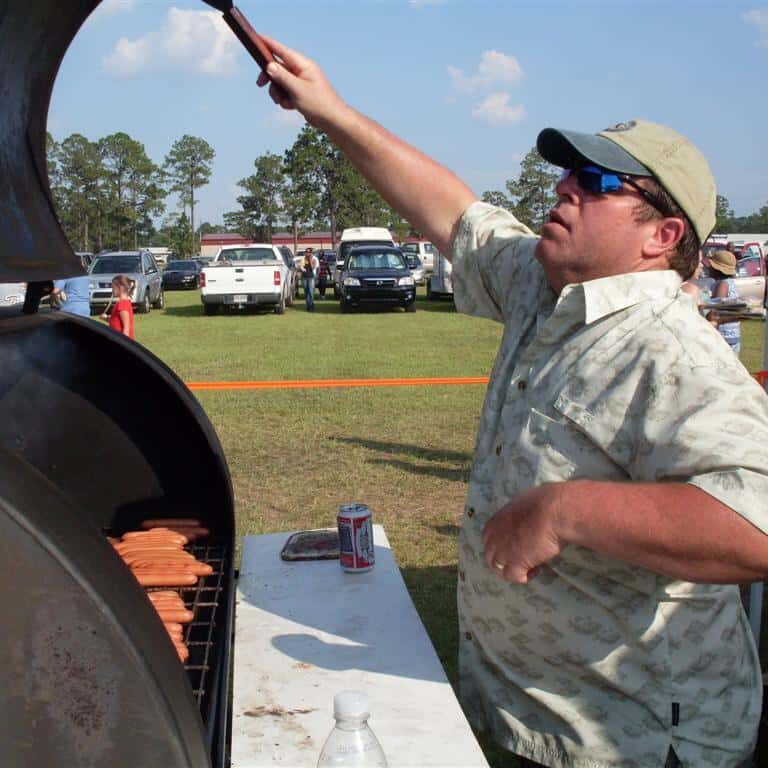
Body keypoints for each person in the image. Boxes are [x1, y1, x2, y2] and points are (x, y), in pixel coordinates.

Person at [256, 38, 768, 768]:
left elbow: (757, 525)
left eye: (597, 181)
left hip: (633, 739)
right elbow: (454, 212)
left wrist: (566, 510)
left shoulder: (669, 351)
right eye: (567, 173)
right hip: (536, 716)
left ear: (663, 235)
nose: (565, 188)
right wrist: (329, 111)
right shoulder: (544, 287)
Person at [706, 248, 742, 354]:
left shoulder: (723, 285)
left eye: (710, 266)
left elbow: (715, 311)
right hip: (732, 336)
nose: (708, 268)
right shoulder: (730, 283)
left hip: (724, 337)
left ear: (716, 268)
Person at [101, 275, 135, 339]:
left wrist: (125, 344)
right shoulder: (121, 303)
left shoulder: (122, 304)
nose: (112, 290)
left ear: (120, 287)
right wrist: (105, 318)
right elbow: (115, 321)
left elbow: (126, 327)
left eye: (113, 287)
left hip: (121, 341)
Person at [300, 247, 319, 311]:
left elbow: (313, 267)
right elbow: (301, 267)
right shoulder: (303, 259)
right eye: (306, 252)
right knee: (306, 291)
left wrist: (310, 260)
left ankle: (311, 305)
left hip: (311, 277)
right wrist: (302, 268)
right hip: (304, 277)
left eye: (309, 252)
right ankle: (308, 305)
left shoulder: (314, 259)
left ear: (311, 253)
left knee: (310, 291)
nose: (307, 253)